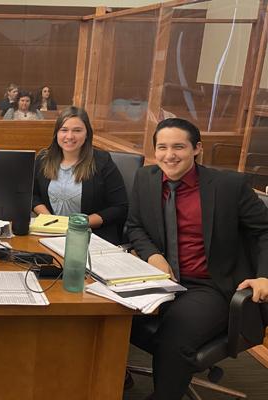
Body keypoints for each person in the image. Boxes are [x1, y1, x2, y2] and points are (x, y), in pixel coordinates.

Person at [126, 118, 268, 400]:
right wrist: (153, 255)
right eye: (162, 147)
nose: (169, 155)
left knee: (174, 336)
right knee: (106, 316)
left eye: (179, 146)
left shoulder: (229, 186)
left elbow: (266, 230)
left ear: (196, 149)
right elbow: (135, 226)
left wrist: (265, 275)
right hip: (161, 278)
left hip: (209, 285)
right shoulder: (146, 178)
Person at [32, 106, 128, 244]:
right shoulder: (43, 159)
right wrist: (49, 218)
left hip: (92, 237)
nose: (69, 136)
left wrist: (80, 223)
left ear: (87, 133)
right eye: (64, 130)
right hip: (50, 234)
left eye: (77, 130)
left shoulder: (102, 161)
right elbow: (32, 195)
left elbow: (120, 207)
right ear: (56, 133)